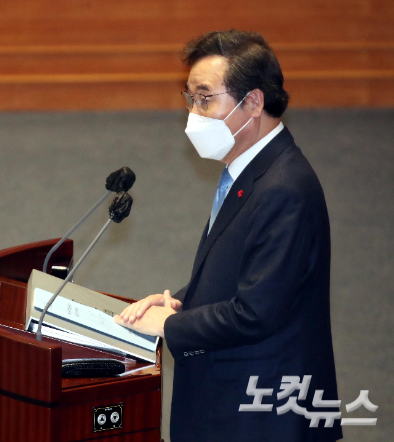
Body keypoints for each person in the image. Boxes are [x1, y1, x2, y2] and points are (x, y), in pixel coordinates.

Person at [114, 30, 342, 442]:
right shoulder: (248, 170)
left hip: (262, 416)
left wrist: (172, 325)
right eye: (190, 98)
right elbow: (244, 269)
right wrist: (180, 301)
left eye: (205, 98)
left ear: (253, 102)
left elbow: (257, 312)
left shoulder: (283, 189)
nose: (193, 114)